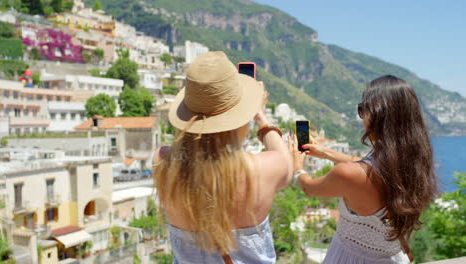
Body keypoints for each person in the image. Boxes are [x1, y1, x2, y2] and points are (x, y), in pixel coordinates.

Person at [153, 51, 292, 263]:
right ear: (241, 114)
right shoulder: (263, 169)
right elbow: (285, 160)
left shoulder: (162, 161)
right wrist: (261, 116)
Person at [289, 75, 437, 263]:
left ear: (375, 114)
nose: (361, 116)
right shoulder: (413, 162)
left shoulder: (348, 174)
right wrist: (327, 152)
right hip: (394, 256)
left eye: (362, 109)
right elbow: (365, 165)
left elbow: (308, 187)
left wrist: (297, 167)